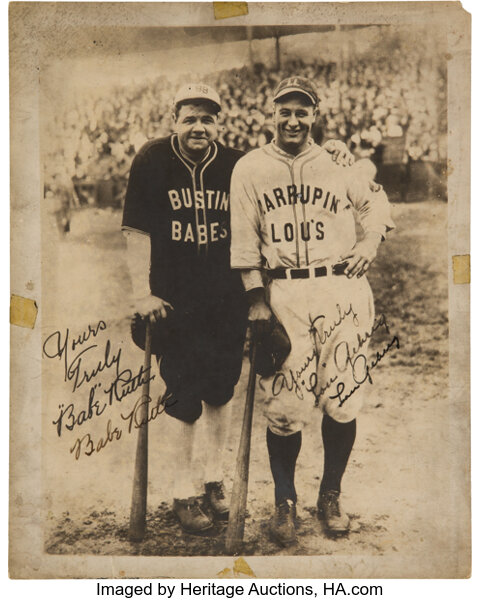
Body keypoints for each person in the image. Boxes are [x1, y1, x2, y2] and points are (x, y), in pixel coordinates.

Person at [122, 81, 355, 535]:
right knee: (182, 396)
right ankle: (182, 490)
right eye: (190, 118)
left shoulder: (233, 164)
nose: (199, 127)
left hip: (225, 298)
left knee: (222, 390)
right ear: (175, 120)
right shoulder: (152, 159)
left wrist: (336, 148)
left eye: (208, 119)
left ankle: (212, 481)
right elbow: (136, 231)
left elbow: (285, 163)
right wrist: (141, 292)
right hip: (174, 299)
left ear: (219, 124)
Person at [230, 76, 395, 547]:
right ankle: (285, 501)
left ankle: (330, 494)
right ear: (271, 114)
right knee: (284, 405)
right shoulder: (250, 168)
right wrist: (256, 299)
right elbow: (243, 242)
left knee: (342, 400)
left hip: (342, 291)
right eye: (285, 110)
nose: (293, 119)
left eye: (302, 111)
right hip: (284, 295)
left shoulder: (340, 163)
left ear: (315, 117)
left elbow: (378, 205)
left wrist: (369, 242)